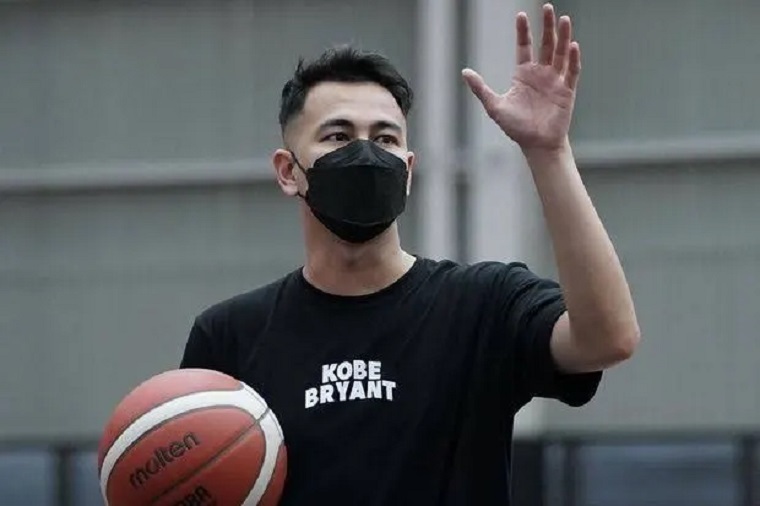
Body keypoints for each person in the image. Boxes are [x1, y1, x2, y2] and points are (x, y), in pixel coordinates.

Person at [179, 4, 640, 505]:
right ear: (289, 171)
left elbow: (608, 339)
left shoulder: (482, 305)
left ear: (408, 169)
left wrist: (549, 152)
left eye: (385, 138)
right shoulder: (230, 336)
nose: (366, 153)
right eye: (338, 136)